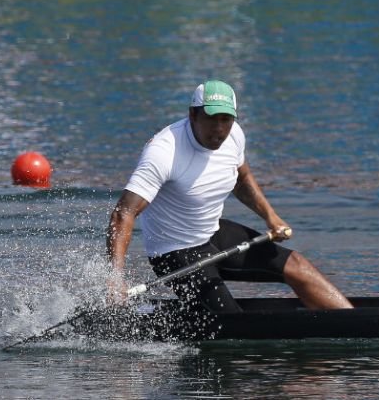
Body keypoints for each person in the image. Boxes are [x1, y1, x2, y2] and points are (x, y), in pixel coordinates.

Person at [105, 80, 353, 314]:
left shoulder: (234, 136)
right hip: (175, 252)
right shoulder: (163, 152)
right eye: (212, 119)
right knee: (231, 322)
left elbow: (242, 179)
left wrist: (271, 217)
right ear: (193, 114)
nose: (220, 129)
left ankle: (349, 321)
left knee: (297, 266)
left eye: (226, 120)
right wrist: (116, 278)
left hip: (213, 233)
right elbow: (122, 214)